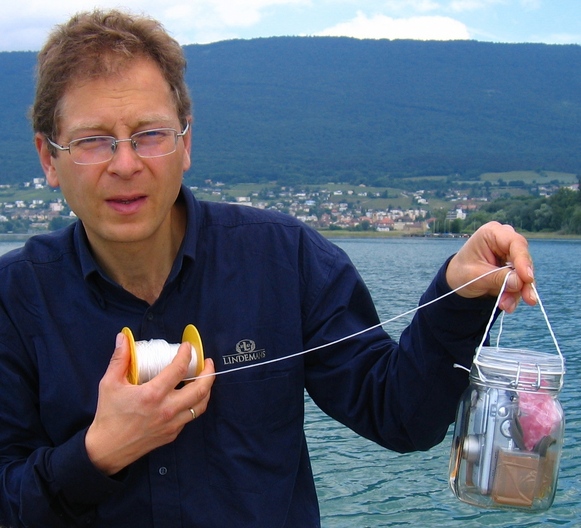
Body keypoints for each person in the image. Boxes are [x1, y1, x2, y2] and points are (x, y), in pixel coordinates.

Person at [0, 9, 536, 528]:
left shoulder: (286, 260)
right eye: (94, 140)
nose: (125, 163)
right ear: (49, 158)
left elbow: (400, 413)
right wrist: (98, 454)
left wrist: (459, 294)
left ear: (186, 143)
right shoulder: (13, 300)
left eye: (150, 134)